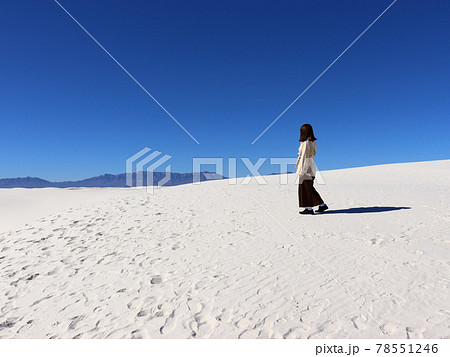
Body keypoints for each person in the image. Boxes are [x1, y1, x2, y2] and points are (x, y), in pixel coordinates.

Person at [296, 124, 328, 215]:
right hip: (311, 166)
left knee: (305, 188)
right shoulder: (312, 142)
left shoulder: (306, 143)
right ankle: (322, 205)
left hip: (306, 167)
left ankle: (309, 208)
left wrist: (301, 170)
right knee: (309, 188)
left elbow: (304, 157)